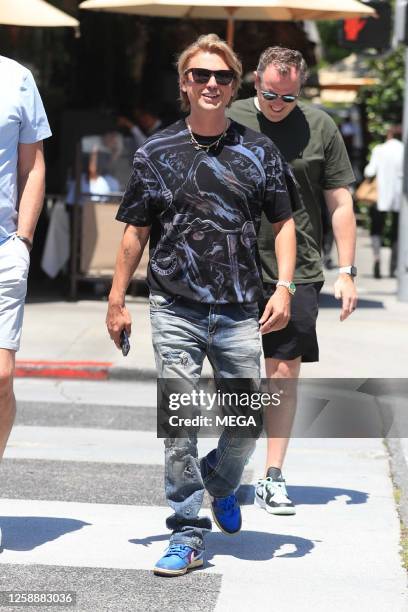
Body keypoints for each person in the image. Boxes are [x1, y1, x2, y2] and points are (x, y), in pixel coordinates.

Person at [106, 34, 297, 576]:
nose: (211, 84)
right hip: (175, 308)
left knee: (246, 424)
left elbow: (283, 223)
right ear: (184, 85)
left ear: (236, 85)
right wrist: (116, 300)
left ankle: (221, 479)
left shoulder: (259, 151)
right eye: (200, 76)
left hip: (240, 309)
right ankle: (188, 531)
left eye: (222, 77)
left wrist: (283, 286)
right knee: (180, 421)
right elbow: (134, 233)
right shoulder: (156, 153)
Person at [229, 46, 358, 515]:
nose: (278, 104)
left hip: (298, 268)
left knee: (282, 372)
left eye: (288, 96)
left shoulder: (320, 126)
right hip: (233, 263)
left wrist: (347, 271)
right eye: (269, 95)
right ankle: (228, 460)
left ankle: (272, 475)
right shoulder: (230, 115)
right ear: (255, 82)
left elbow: (340, 202)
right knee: (235, 372)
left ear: (299, 88)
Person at [0, 56, 51, 544]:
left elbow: (33, 163)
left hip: (2, 250)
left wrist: (23, 239)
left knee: (0, 377)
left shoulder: (16, 78)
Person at [364, 125, 403, 279]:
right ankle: (394, 266)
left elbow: (370, 171)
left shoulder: (379, 149)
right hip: (400, 198)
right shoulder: (404, 150)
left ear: (389, 135)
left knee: (376, 229)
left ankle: (377, 258)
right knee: (397, 231)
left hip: (380, 195)